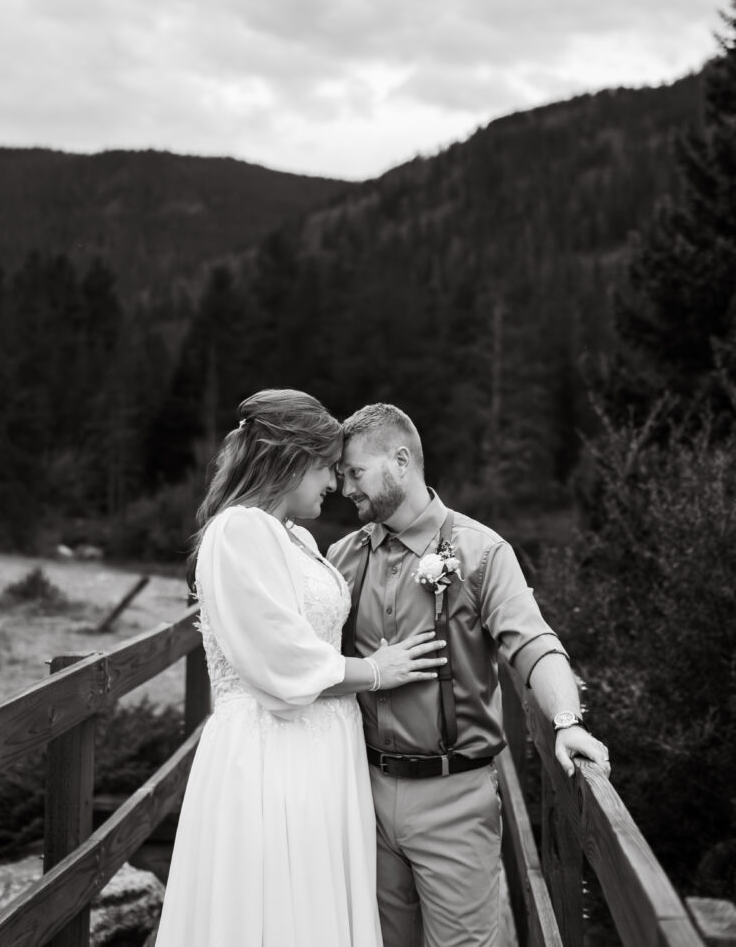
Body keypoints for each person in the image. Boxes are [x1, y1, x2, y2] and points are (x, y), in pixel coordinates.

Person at [155, 389, 446, 947]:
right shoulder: (238, 530)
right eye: (325, 468)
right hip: (272, 753)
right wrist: (377, 671)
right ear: (289, 460)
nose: (335, 484)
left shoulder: (298, 538)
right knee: (275, 908)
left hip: (320, 752)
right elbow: (279, 656)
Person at [327, 403, 611, 947]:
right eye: (340, 476)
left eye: (355, 472)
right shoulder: (341, 558)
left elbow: (533, 644)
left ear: (401, 461)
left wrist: (567, 720)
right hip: (359, 794)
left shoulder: (482, 553)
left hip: (454, 798)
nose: (345, 488)